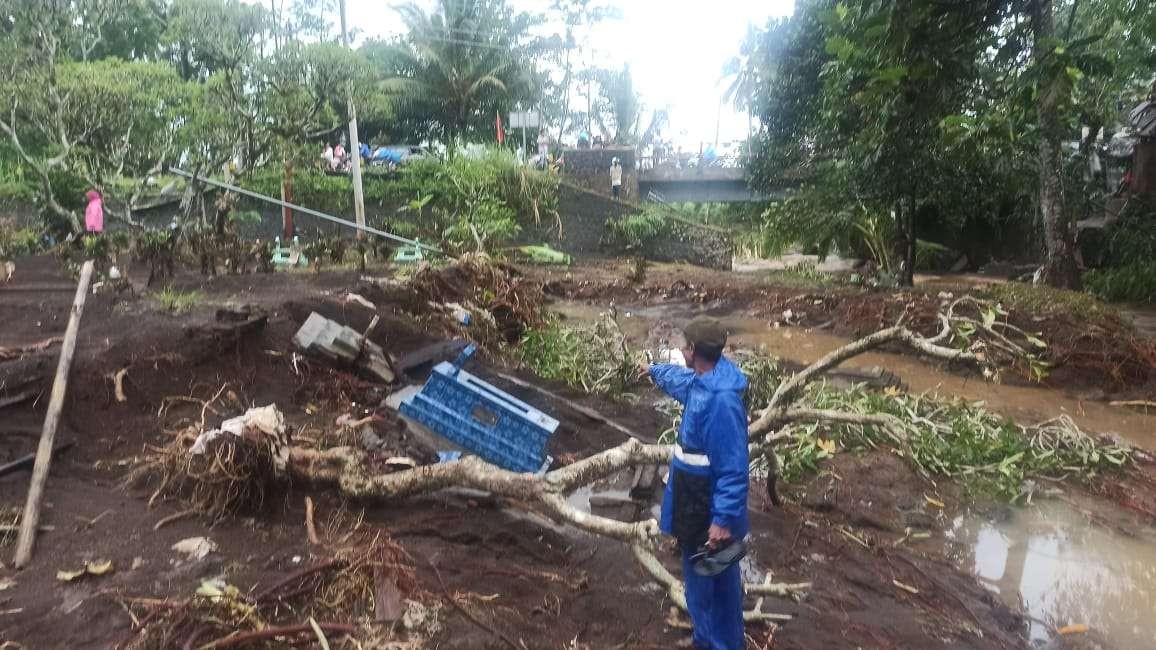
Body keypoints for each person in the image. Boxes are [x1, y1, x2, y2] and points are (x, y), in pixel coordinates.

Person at [640, 317, 749, 650]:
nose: (681, 350)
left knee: (708, 591)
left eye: (684, 345)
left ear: (695, 352)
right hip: (695, 503)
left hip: (706, 511)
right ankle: (715, 641)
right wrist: (653, 370)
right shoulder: (704, 381)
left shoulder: (721, 400)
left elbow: (733, 468)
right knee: (710, 586)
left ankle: (715, 644)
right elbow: (681, 381)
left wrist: (722, 521)